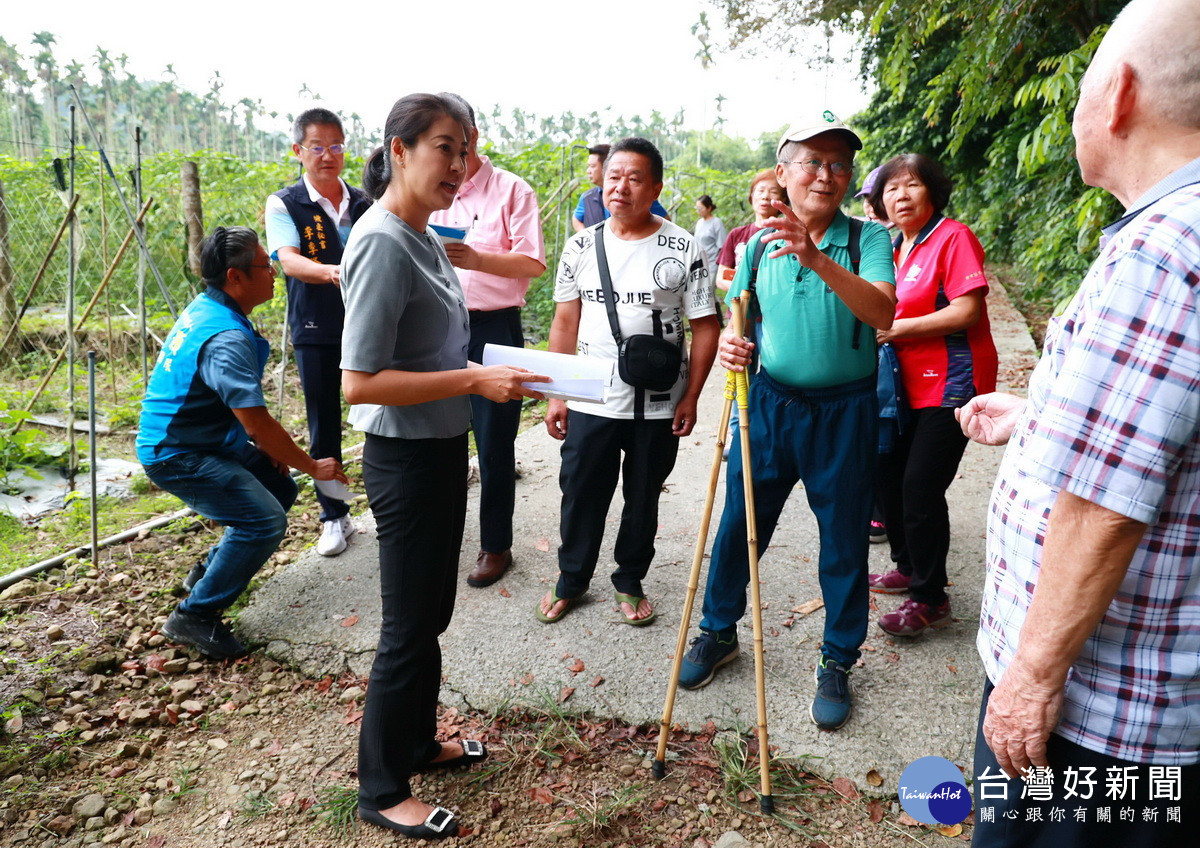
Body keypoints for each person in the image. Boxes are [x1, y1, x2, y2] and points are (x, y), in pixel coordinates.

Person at [957, 0, 1200, 842]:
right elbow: (1162, 439)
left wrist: (1030, 677)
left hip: (1103, 717)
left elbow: (1104, 506)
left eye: (1081, 92)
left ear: (1120, 94)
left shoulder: (1163, 250)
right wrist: (1041, 420)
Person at [339, 93, 548, 840]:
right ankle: (381, 787)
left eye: (465, 152)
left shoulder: (425, 235)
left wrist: (503, 370)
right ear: (398, 149)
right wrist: (470, 380)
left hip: (437, 447)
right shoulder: (381, 241)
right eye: (441, 149)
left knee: (433, 612)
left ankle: (419, 741)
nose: (458, 166)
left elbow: (434, 347)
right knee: (406, 626)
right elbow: (359, 383)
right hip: (402, 455)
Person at [677, 110, 897, 733]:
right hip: (769, 404)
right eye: (812, 162)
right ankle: (718, 632)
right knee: (739, 524)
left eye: (838, 164)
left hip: (846, 411)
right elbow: (738, 309)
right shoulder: (752, 242)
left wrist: (817, 256)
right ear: (784, 172)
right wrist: (733, 344)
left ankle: (837, 657)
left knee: (845, 541)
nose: (826, 175)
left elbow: (883, 309)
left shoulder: (867, 240)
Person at [137, 226, 347, 660]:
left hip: (203, 437)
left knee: (278, 488)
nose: (273, 272)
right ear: (235, 277)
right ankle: (195, 615)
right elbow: (256, 424)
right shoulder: (225, 338)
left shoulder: (212, 309)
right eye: (263, 265)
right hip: (178, 453)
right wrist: (313, 466)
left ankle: (210, 571)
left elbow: (246, 421)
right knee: (264, 521)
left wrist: (278, 457)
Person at [537, 137, 720, 626]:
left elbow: (705, 325)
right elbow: (564, 323)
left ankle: (629, 577)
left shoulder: (684, 246)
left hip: (657, 403)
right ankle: (571, 577)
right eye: (614, 176)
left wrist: (693, 395)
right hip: (591, 397)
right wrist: (557, 393)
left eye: (635, 178)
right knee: (579, 491)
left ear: (655, 186)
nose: (621, 187)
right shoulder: (580, 245)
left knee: (643, 495)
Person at [865, 154, 997, 635]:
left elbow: (965, 312)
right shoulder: (896, 250)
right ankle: (906, 565)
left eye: (912, 185)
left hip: (953, 383)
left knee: (920, 485)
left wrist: (893, 329)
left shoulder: (952, 237)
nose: (901, 195)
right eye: (892, 188)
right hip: (902, 389)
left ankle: (930, 596)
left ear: (933, 191)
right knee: (888, 476)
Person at [428, 93, 546, 588]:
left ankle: (495, 545)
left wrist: (475, 258)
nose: (451, 157)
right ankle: (440, 539)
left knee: (495, 443)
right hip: (437, 326)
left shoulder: (511, 190)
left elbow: (532, 263)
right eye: (440, 144)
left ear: (472, 138)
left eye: (457, 141)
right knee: (440, 436)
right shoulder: (432, 192)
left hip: (493, 327)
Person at [264, 108, 371, 557]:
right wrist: (335, 273)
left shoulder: (366, 201)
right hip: (317, 327)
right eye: (318, 147)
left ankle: (387, 504)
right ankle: (335, 516)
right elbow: (287, 259)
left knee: (382, 412)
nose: (329, 156)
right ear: (298, 152)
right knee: (323, 422)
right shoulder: (285, 203)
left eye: (337, 146)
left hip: (370, 324)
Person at [714, 169, 786, 294]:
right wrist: (746, 292)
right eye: (760, 191)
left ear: (783, 199)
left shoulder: (786, 235)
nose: (765, 196)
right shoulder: (736, 234)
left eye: (773, 192)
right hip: (739, 310)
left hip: (771, 312)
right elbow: (720, 279)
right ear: (752, 196)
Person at [572, 142, 669, 231]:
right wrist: (589, 239)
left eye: (592, 166)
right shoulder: (587, 197)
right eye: (614, 177)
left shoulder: (643, 197)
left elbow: (666, 222)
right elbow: (576, 219)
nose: (588, 171)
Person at [693, 194, 727, 268]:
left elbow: (722, 246)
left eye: (700, 208)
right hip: (699, 263)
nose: (698, 211)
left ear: (709, 208)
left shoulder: (716, 222)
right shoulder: (699, 222)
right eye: (697, 208)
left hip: (712, 264)